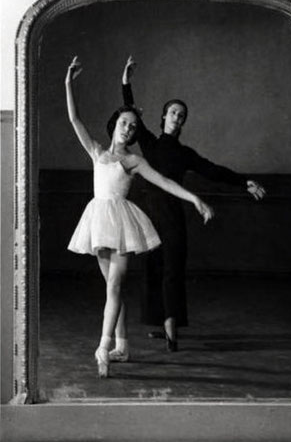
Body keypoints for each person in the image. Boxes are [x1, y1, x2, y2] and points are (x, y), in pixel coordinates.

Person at [65, 56, 213, 378]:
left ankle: (103, 347)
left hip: (120, 224)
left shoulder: (134, 161)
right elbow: (75, 120)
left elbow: (165, 182)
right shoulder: (96, 152)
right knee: (111, 289)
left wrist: (195, 198)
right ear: (115, 125)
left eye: (133, 125)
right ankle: (123, 345)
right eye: (124, 123)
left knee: (116, 285)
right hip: (97, 220)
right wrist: (68, 83)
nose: (129, 127)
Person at [120, 55, 266, 352]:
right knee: (153, 270)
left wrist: (244, 181)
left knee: (172, 270)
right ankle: (163, 324)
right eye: (173, 112)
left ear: (183, 123)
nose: (177, 116)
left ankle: (172, 330)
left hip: (172, 217)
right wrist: (126, 82)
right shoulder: (148, 142)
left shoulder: (185, 154)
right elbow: (131, 113)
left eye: (182, 114)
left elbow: (214, 170)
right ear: (163, 117)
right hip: (148, 216)